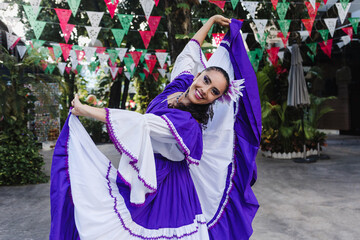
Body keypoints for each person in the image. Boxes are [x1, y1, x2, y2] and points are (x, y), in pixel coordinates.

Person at [50, 15, 261, 240]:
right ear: (198, 74)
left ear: (214, 100)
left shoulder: (189, 125)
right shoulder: (179, 86)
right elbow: (189, 53)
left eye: (214, 92)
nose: (204, 90)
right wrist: (209, 22)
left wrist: (86, 111)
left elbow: (142, 124)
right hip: (144, 171)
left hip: (168, 188)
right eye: (206, 81)